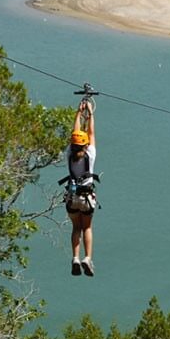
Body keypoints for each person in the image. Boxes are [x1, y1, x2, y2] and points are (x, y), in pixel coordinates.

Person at [65, 100, 98, 277]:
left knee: (76, 227)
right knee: (87, 228)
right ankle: (87, 258)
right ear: (85, 145)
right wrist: (90, 114)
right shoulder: (90, 155)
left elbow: (75, 133)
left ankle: (75, 258)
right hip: (87, 198)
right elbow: (91, 133)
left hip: (72, 198)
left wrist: (78, 113)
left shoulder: (69, 155)